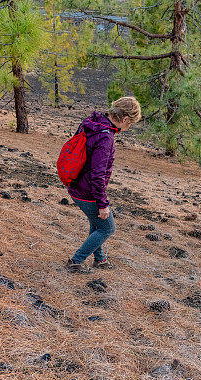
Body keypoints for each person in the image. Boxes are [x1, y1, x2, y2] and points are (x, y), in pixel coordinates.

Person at [65, 96, 142, 273]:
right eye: (130, 124)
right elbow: (97, 175)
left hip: (76, 183)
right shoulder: (105, 138)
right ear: (125, 119)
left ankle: (100, 259)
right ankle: (76, 261)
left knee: (97, 224)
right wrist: (103, 203)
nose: (128, 128)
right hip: (87, 191)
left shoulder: (92, 122)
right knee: (107, 227)